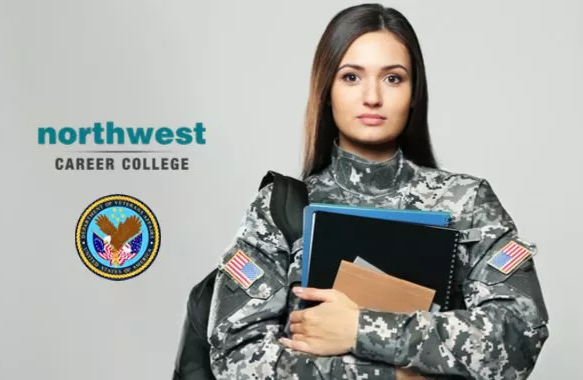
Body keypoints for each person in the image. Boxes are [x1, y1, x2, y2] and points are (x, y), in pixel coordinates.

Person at [207, 3, 549, 379]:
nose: (372, 96)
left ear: (414, 92)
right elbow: (236, 357)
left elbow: (518, 337)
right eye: (351, 77)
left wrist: (359, 328)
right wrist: (393, 377)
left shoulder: (467, 203)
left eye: (393, 78)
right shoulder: (280, 209)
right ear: (326, 90)